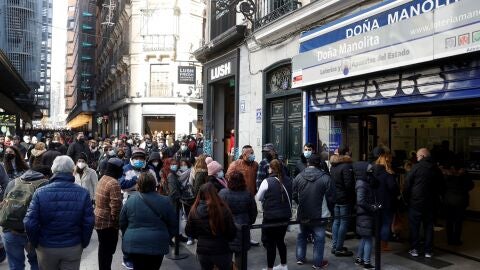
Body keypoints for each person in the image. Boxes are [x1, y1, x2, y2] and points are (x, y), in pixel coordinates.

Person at [24, 155, 94, 270]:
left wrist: (36, 243)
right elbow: (89, 222)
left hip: (46, 246)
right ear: (72, 170)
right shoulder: (83, 193)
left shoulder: (40, 192)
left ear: (53, 170)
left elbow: (29, 222)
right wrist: (83, 242)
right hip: (73, 246)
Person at [120, 173, 178, 270]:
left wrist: (127, 235)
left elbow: (122, 222)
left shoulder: (130, 201)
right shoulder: (165, 201)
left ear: (138, 185)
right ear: (154, 184)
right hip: (157, 243)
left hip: (134, 243)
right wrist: (167, 236)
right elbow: (173, 223)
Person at [1, 165, 50, 270]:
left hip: (10, 230)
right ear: (46, 175)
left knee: (15, 265)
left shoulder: (12, 182)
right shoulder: (45, 184)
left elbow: (4, 204)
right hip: (33, 232)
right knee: (36, 262)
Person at [293, 154, 334, 269]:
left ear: (308, 163)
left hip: (303, 213)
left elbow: (294, 194)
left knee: (301, 235)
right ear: (320, 164)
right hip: (319, 214)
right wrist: (331, 211)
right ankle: (317, 263)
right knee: (319, 239)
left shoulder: (299, 177)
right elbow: (331, 198)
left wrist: (300, 203)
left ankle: (300, 258)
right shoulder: (326, 178)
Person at [185, 182, 237, 270]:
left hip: (203, 250)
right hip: (222, 249)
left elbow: (188, 231)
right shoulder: (224, 209)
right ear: (215, 193)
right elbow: (231, 232)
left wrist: (200, 237)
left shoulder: (194, 210)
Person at [404, 148, 444, 258]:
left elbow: (407, 185)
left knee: (414, 226)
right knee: (428, 227)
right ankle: (428, 251)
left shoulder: (415, 168)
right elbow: (441, 186)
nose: (416, 159)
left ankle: (415, 249)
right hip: (430, 203)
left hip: (415, 202)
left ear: (422, 156)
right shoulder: (436, 169)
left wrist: (407, 199)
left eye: (417, 157)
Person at [256, 159, 292, 270]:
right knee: (280, 240)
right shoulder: (289, 180)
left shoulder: (267, 181)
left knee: (271, 243)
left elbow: (259, 197)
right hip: (285, 216)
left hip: (271, 217)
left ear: (270, 168)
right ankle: (283, 265)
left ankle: (270, 268)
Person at [219, 171, 258, 269]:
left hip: (226, 229)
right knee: (241, 261)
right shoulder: (248, 194)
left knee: (225, 260)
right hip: (243, 229)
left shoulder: (223, 193)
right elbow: (253, 211)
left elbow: (218, 211)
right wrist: (249, 222)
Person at [95, 158, 123, 270]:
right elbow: (115, 206)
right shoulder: (114, 183)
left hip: (98, 219)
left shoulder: (103, 178)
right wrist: (116, 222)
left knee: (103, 249)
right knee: (108, 250)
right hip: (108, 223)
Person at [329, 145, 355, 256]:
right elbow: (349, 185)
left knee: (336, 222)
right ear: (346, 153)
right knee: (343, 222)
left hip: (336, 197)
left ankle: (335, 246)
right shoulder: (346, 166)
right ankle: (339, 248)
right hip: (344, 198)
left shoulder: (334, 166)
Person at [372, 151, 399, 252]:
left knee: (378, 223)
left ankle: (378, 243)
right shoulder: (388, 174)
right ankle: (384, 245)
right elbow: (393, 188)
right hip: (387, 202)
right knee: (386, 223)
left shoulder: (373, 171)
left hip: (375, 201)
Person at [442, 159, 474, 246]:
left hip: (448, 201)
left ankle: (450, 240)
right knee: (458, 222)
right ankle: (456, 240)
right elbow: (471, 186)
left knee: (449, 221)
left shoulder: (446, 177)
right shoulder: (464, 176)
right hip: (461, 202)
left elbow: (441, 187)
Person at [354, 162, 377, 269]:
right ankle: (366, 262)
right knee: (368, 238)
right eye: (369, 171)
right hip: (365, 214)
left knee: (364, 237)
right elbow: (361, 201)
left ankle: (359, 258)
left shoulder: (363, 182)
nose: (371, 173)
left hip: (364, 214)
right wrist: (372, 207)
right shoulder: (361, 184)